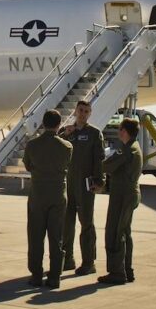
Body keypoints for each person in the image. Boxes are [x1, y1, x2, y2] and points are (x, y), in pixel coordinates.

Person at [22, 109, 72, 288]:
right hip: (58, 195)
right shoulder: (66, 146)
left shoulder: (32, 145)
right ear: (59, 124)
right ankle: (54, 277)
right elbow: (67, 163)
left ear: (43, 123)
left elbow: (28, 166)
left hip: (38, 195)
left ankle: (36, 275)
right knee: (56, 237)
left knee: (36, 236)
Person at [60, 100, 103, 276]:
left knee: (86, 223)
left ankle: (88, 262)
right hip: (68, 182)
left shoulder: (94, 134)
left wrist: (99, 181)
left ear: (90, 114)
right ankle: (67, 259)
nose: (83, 113)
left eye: (86, 111)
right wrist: (64, 134)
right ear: (75, 112)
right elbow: (56, 147)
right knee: (66, 223)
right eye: (80, 110)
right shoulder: (68, 132)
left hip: (85, 183)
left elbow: (99, 159)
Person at [99, 118, 143, 286]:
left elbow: (108, 166)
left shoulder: (126, 150)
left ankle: (117, 272)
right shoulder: (133, 147)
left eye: (120, 130)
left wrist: (93, 166)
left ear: (124, 131)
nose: (118, 133)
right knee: (124, 232)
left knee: (116, 232)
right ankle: (127, 269)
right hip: (128, 193)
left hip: (123, 195)